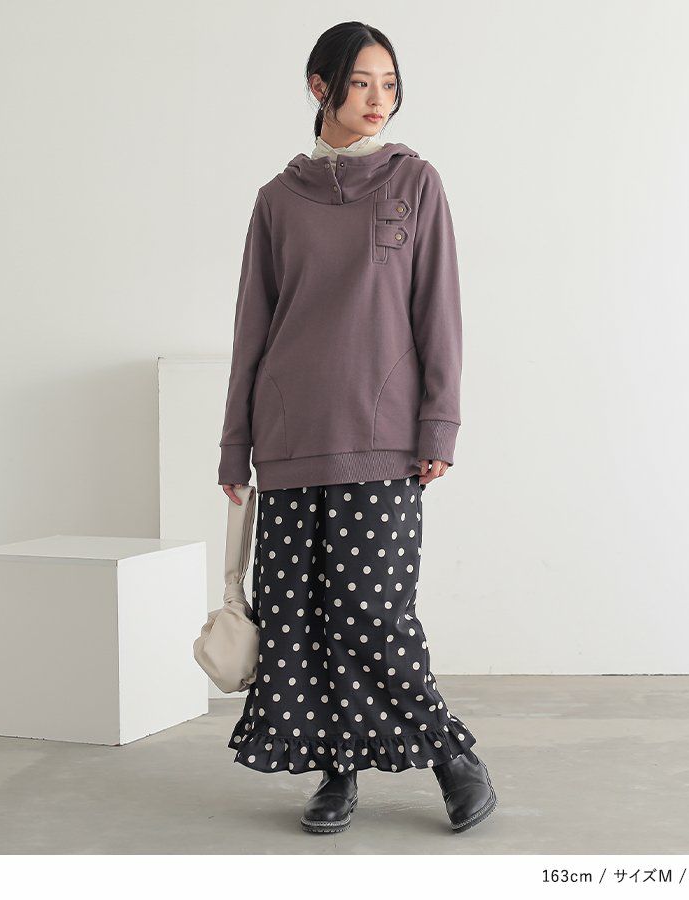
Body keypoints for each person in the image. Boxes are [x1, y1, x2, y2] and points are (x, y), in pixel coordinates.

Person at [217, 21, 497, 835]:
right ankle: (335, 775)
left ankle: (452, 758)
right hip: (288, 437)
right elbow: (252, 328)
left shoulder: (415, 183)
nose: (380, 98)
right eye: (363, 82)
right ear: (320, 87)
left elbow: (438, 310)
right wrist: (235, 445)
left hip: (381, 438)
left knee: (374, 616)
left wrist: (438, 425)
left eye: (390, 83)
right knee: (297, 620)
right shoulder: (277, 199)